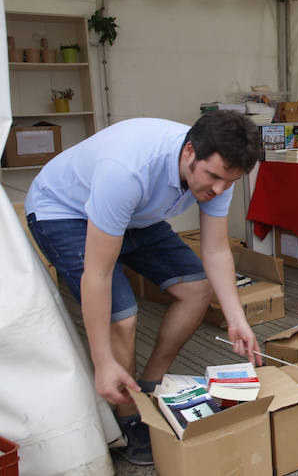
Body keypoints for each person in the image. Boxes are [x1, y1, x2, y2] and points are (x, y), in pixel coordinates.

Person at [24, 111, 263, 465]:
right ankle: (129, 419)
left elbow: (215, 249)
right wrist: (102, 360)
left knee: (197, 289)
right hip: (64, 211)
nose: (217, 191)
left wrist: (236, 317)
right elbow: (98, 276)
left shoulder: (219, 172)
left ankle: (149, 386)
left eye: (228, 183)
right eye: (213, 177)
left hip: (134, 214)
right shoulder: (128, 170)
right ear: (188, 154)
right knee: (121, 316)